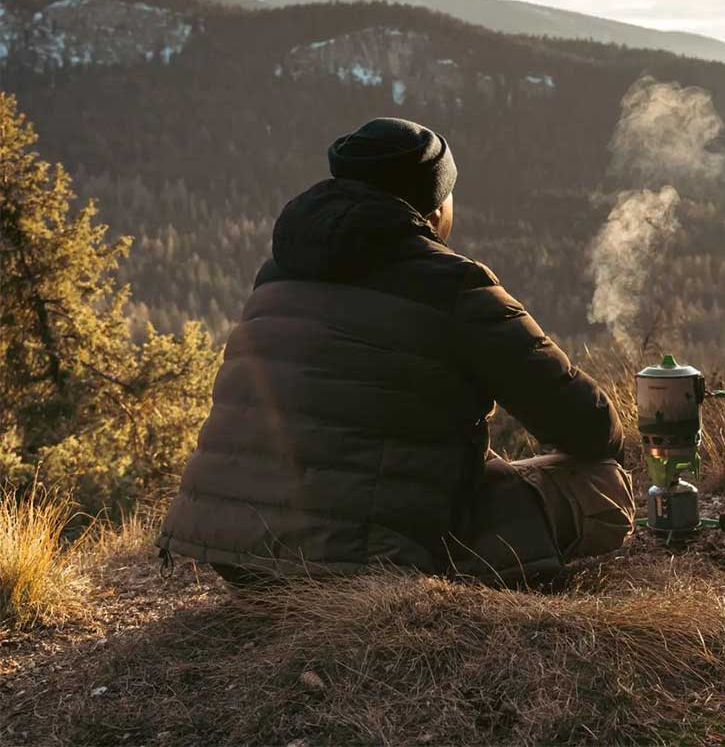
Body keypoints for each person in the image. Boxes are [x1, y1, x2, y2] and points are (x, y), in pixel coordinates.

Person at [156, 117, 633, 586]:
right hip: (362, 569)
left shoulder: (278, 272)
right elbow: (586, 427)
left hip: (242, 562)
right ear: (432, 206)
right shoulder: (456, 285)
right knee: (601, 485)